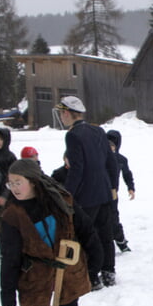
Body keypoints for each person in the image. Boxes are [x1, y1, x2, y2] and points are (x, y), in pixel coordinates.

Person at [0, 159, 101, 306]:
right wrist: (7, 294)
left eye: (18, 182)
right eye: (10, 184)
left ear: (34, 182)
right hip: (35, 274)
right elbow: (10, 256)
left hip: (67, 268)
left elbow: (85, 229)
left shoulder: (61, 201)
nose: (14, 188)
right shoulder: (12, 214)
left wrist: (96, 260)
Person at [54, 95, 118, 289]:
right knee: (106, 235)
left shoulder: (73, 135)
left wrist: (67, 194)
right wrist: (113, 187)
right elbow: (111, 162)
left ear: (66, 113)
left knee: (87, 237)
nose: (61, 117)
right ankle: (109, 272)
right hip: (104, 192)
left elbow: (77, 169)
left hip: (86, 196)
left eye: (61, 113)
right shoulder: (98, 130)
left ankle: (92, 275)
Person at [106, 129, 135, 252]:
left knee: (113, 219)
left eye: (113, 145)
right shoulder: (99, 157)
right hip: (99, 192)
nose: (110, 147)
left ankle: (121, 242)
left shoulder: (121, 159)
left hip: (113, 194)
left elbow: (127, 174)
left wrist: (131, 187)